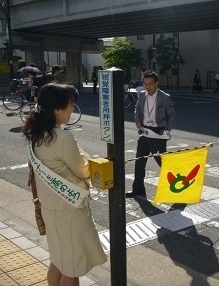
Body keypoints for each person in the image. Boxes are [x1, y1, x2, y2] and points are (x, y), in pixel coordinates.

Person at [22, 83, 107, 285]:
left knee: (58, 262)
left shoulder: (37, 133)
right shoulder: (62, 137)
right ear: (57, 109)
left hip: (50, 208)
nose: (72, 110)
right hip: (70, 210)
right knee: (72, 268)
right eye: (70, 105)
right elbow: (83, 170)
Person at [127, 70, 176, 198]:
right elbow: (137, 108)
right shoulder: (142, 94)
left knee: (163, 164)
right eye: (146, 83)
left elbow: (171, 115)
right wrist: (137, 120)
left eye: (151, 84)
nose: (148, 87)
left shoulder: (165, 97)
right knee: (139, 164)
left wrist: (167, 131)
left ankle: (177, 188)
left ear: (157, 83)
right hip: (144, 133)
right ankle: (138, 190)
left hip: (158, 135)